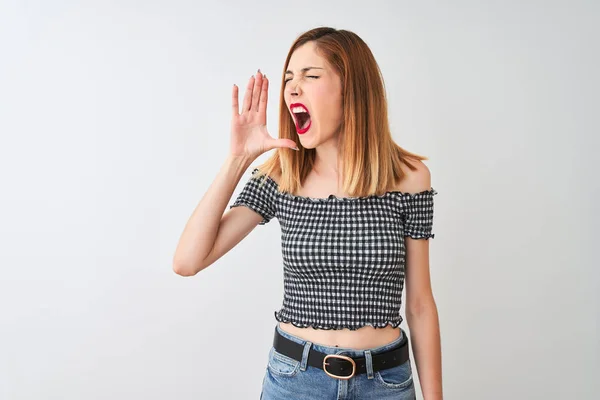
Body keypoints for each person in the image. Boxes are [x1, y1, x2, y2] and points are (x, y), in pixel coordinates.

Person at [173, 27, 442, 400]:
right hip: (295, 382)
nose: (293, 89)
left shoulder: (410, 179)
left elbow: (420, 304)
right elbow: (187, 261)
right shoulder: (282, 175)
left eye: (310, 76)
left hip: (385, 384)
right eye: (289, 78)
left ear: (352, 89)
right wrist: (238, 159)